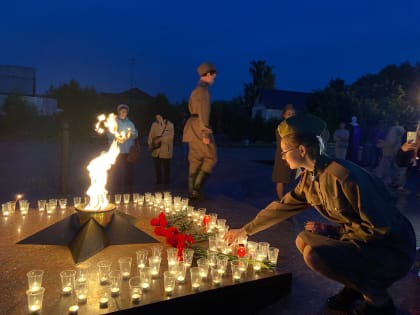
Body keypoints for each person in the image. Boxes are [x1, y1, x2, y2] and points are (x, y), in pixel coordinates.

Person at [224, 113, 416, 315]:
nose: (282, 157)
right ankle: (354, 288)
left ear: (301, 150)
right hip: (366, 240)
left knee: (315, 254)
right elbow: (281, 207)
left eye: (284, 151)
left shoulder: (343, 176)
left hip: (392, 249)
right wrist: (245, 231)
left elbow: (381, 228)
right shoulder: (310, 178)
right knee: (303, 240)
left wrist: (336, 232)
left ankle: (378, 301)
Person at [182, 62, 218, 200]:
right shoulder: (203, 91)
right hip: (199, 128)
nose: (214, 79)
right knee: (211, 157)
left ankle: (193, 192)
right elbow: (203, 113)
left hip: (192, 128)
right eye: (213, 76)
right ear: (208, 74)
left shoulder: (197, 89)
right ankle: (195, 190)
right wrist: (205, 133)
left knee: (195, 159)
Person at [107, 104, 138, 194]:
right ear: (119, 112)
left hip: (128, 151)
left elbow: (135, 134)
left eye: (125, 111)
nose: (124, 113)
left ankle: (129, 189)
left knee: (129, 170)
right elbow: (109, 134)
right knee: (117, 170)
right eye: (122, 111)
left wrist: (131, 134)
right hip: (117, 151)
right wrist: (117, 137)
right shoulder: (114, 122)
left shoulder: (130, 123)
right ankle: (117, 189)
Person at [272, 104, 297, 200]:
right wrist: (286, 157)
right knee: (281, 179)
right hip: (283, 157)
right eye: (289, 114)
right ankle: (281, 202)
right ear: (284, 115)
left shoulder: (294, 127)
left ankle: (284, 201)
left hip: (293, 157)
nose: (291, 116)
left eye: (293, 114)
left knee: (287, 179)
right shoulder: (282, 127)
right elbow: (282, 144)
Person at [147, 113, 174, 185]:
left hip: (166, 150)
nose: (158, 119)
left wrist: (161, 139)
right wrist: (150, 144)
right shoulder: (154, 124)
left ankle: (167, 182)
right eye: (156, 117)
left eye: (159, 117)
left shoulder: (170, 125)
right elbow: (150, 135)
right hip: (156, 150)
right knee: (157, 167)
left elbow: (170, 137)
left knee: (166, 167)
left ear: (163, 116)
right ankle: (159, 181)